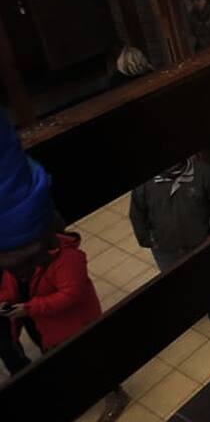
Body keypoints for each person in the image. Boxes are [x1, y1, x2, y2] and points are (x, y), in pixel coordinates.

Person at [0, 114, 129, 419]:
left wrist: (28, 308)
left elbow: (70, 295)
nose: (21, 267)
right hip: (47, 328)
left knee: (90, 361)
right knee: (65, 362)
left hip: (73, 324)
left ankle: (114, 393)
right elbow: (11, 280)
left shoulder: (66, 257)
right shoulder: (19, 262)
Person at [128, 155, 210, 321]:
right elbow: (137, 214)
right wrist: (148, 239)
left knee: (206, 276)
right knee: (177, 281)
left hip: (200, 243)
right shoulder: (145, 184)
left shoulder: (203, 173)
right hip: (165, 248)